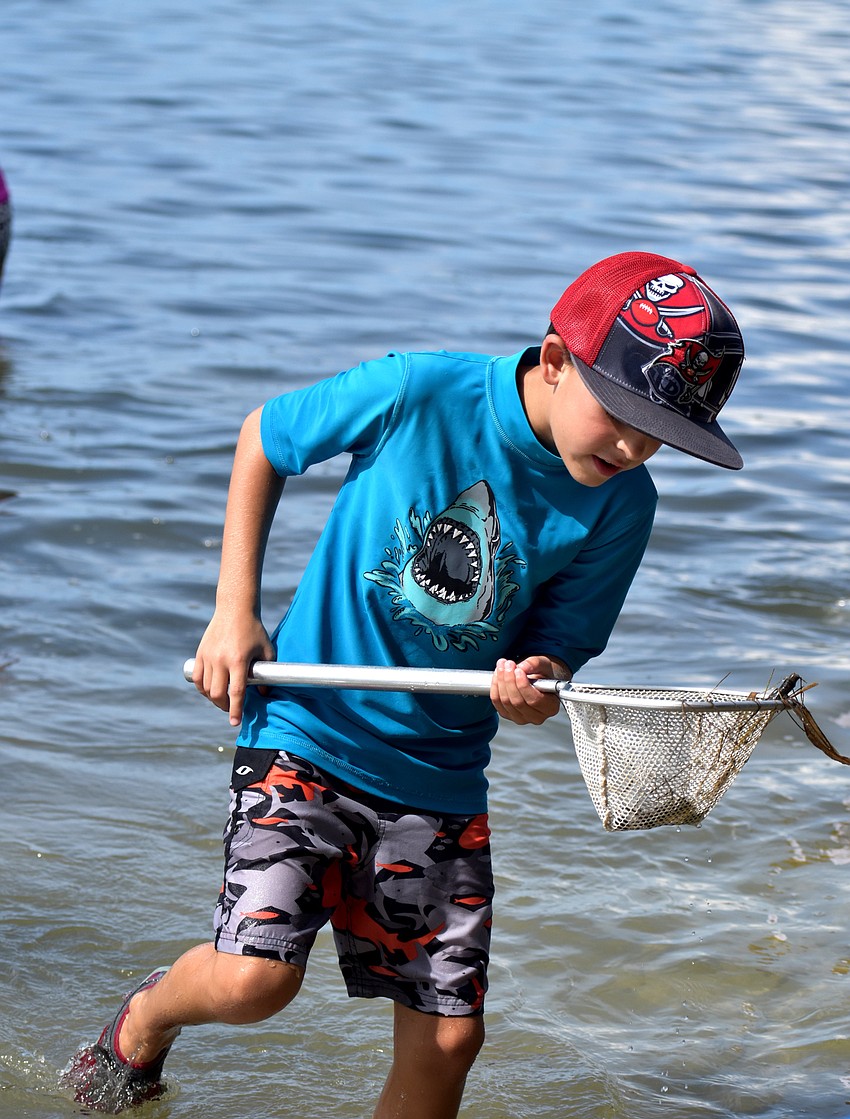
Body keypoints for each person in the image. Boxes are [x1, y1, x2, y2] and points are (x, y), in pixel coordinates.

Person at [64, 251, 746, 1116]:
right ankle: (144, 1021)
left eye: (663, 436)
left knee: (451, 1039)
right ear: (554, 360)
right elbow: (265, 437)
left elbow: (558, 648)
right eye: (624, 416)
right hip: (308, 733)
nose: (635, 447)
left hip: (441, 775)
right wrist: (233, 612)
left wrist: (538, 681)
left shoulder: (624, 503)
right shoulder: (416, 390)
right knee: (253, 983)